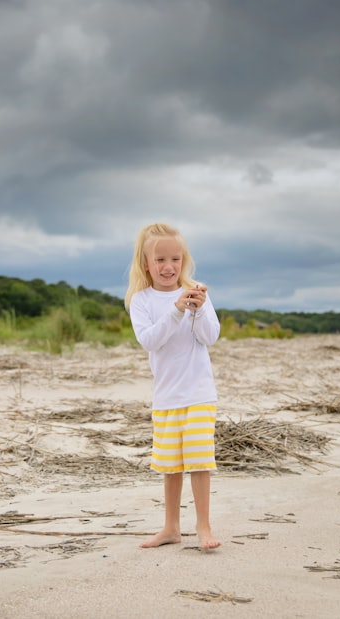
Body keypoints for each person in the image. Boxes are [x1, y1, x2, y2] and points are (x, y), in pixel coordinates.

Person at [125, 222, 221, 550]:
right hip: (166, 396)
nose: (169, 267)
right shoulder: (141, 300)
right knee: (171, 464)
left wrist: (196, 310)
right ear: (146, 264)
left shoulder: (196, 292)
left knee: (199, 460)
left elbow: (210, 337)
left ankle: (204, 527)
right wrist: (176, 311)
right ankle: (170, 527)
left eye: (176, 260)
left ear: (184, 261)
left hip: (198, 393)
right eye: (161, 260)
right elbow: (150, 341)